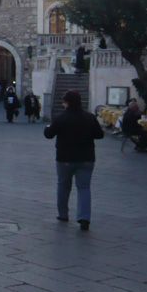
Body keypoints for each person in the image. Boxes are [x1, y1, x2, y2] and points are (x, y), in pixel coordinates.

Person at [44, 90, 104, 231]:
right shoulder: (89, 117)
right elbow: (99, 134)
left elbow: (49, 134)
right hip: (86, 158)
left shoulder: (61, 118)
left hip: (65, 158)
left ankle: (63, 214)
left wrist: (47, 128)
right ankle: (84, 218)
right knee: (84, 188)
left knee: (63, 186)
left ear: (67, 102)